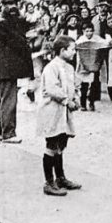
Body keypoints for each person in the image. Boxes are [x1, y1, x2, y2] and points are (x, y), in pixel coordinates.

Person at [37, 35, 82, 197]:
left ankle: (60, 178)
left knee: (61, 143)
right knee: (52, 144)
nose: (74, 53)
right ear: (62, 50)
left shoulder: (69, 68)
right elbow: (51, 88)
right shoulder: (52, 67)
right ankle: (49, 182)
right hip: (52, 111)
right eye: (72, 50)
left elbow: (74, 85)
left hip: (64, 112)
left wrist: (76, 98)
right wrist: (66, 100)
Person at [0, 0, 33, 144]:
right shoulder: (3, 23)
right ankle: (8, 133)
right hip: (7, 68)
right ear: (4, 6)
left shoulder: (1, 21)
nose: (14, 7)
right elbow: (17, 42)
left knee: (3, 99)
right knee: (9, 101)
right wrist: (28, 40)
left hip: (4, 68)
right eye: (11, 5)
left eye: (16, 4)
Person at [75, 24, 108, 112]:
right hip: (84, 65)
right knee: (84, 85)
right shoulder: (80, 40)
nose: (89, 33)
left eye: (91, 31)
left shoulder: (97, 38)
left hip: (94, 64)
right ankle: (83, 104)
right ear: (83, 31)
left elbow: (105, 43)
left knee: (94, 84)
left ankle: (91, 102)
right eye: (87, 31)